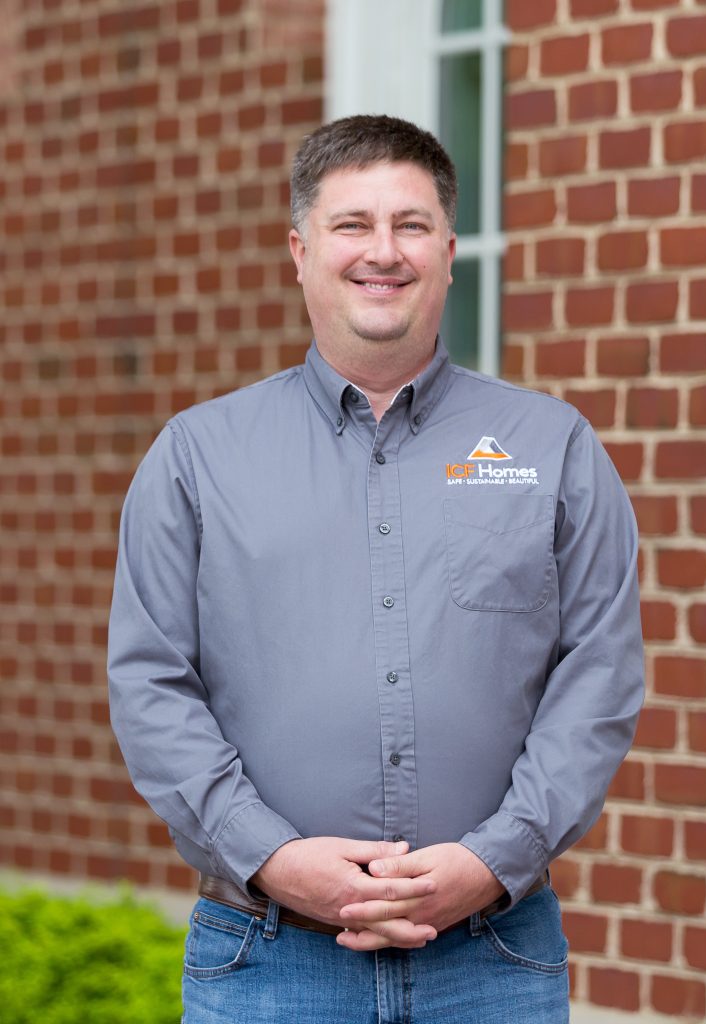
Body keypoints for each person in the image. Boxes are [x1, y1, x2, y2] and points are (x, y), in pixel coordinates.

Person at [108, 114, 644, 1023]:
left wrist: (493, 858)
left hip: (490, 958)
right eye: (352, 224)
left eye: (410, 224)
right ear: (301, 249)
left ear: (447, 249)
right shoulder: (197, 455)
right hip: (268, 958)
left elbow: (597, 673)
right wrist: (271, 857)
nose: (381, 252)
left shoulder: (550, 445)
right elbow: (152, 682)